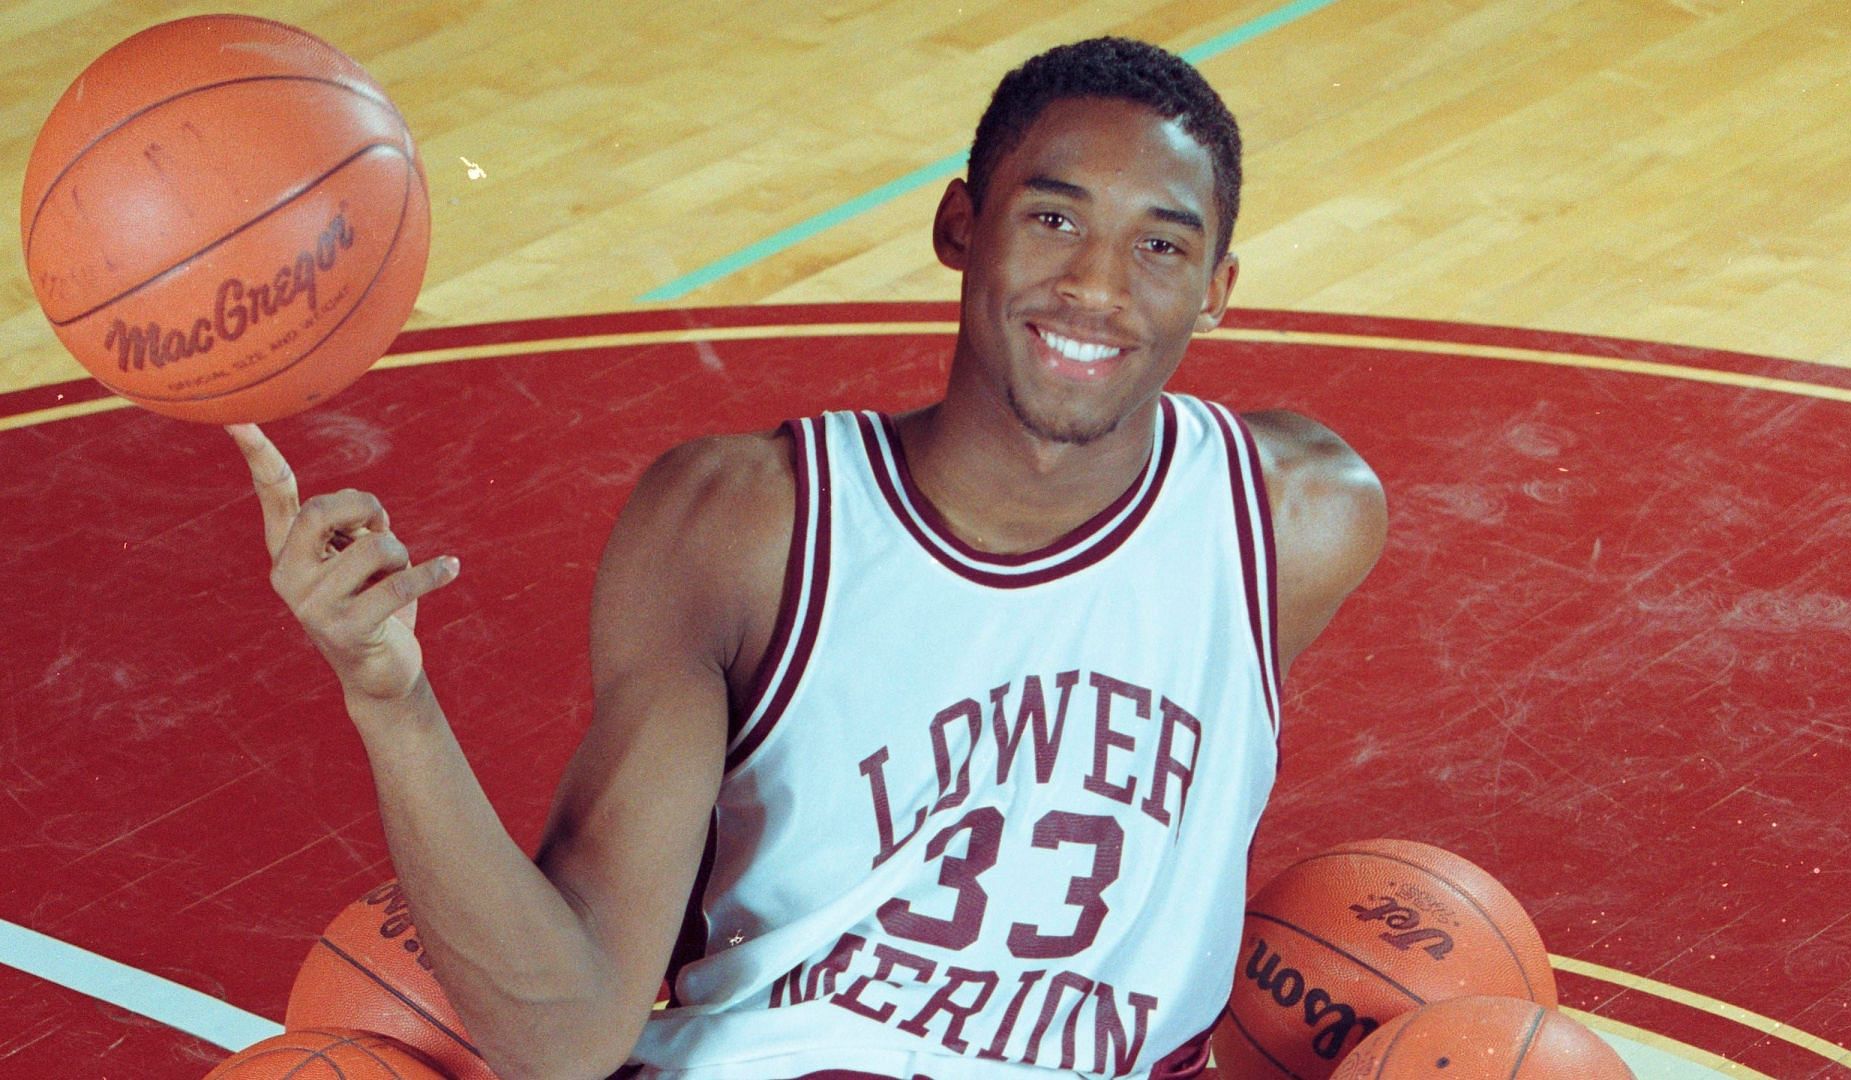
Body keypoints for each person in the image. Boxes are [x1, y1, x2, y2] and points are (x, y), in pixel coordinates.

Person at [233, 37, 1385, 1080]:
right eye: (1053, 219)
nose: (1097, 285)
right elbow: (567, 1030)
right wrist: (392, 698)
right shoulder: (748, 530)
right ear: (957, 227)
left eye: (1162, 245)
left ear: (1219, 290)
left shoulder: (1289, 521)